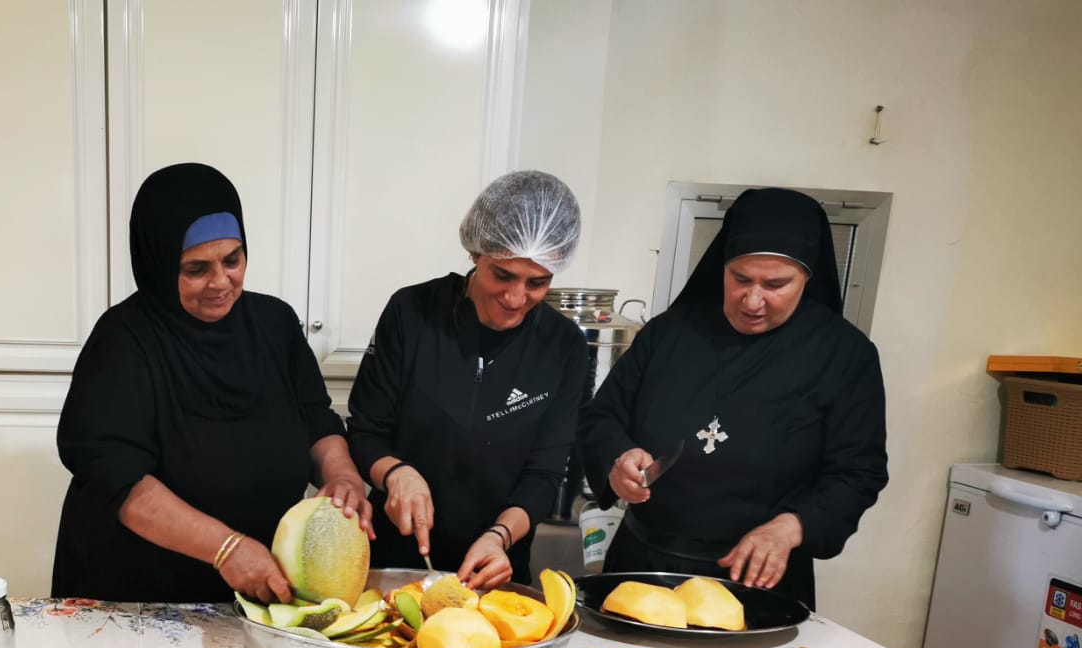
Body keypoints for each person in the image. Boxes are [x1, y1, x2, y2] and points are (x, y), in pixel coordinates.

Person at [53, 163, 371, 603]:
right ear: (158, 264)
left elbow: (315, 419)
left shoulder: (275, 324)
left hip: (256, 584)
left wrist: (343, 477)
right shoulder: (123, 341)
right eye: (196, 268)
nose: (221, 282)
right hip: (138, 595)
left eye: (233, 260)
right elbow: (117, 479)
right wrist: (225, 548)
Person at [577, 187, 888, 608]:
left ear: (807, 278)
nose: (753, 299)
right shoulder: (669, 333)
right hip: (643, 568)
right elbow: (602, 417)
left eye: (776, 284)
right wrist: (619, 459)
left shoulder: (844, 355)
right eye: (740, 279)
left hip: (759, 582)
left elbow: (858, 472)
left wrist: (791, 527)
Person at [346, 170, 590, 590]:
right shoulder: (412, 313)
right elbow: (366, 431)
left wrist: (500, 537)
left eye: (538, 283)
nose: (516, 299)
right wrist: (397, 473)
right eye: (502, 275)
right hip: (392, 561)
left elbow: (544, 474)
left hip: (493, 569)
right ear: (476, 252)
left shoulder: (563, 345)